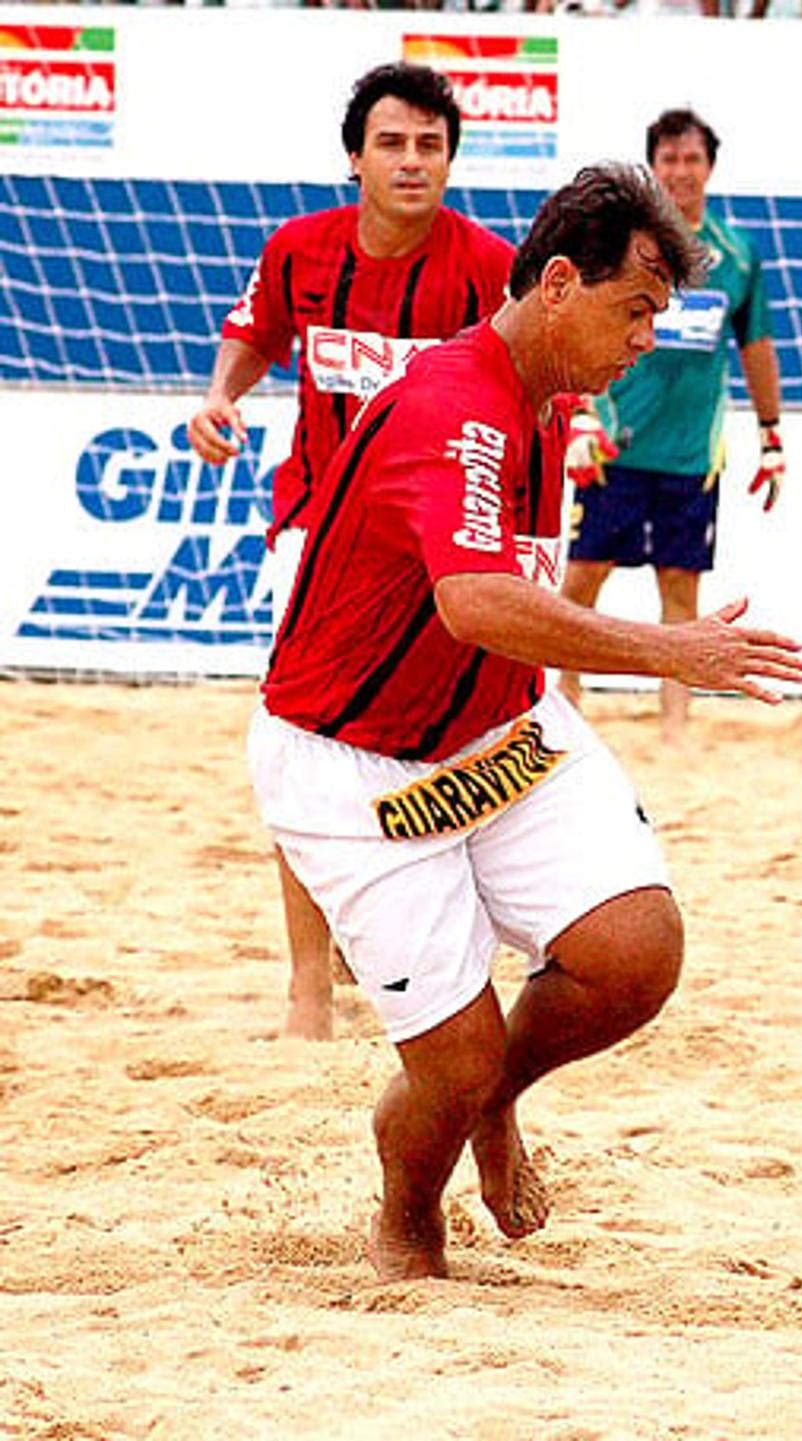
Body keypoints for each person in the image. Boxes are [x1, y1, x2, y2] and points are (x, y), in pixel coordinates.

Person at [246, 161, 802, 1281]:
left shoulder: (550, 396)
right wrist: (671, 649)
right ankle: (409, 1218)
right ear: (560, 283)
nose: (651, 336)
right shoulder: (458, 405)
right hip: (358, 767)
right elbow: (477, 602)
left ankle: (496, 1094)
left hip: (501, 734)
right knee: (444, 1074)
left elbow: (502, 608)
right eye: (636, 308)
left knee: (636, 953)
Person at [188, 62, 517, 1042]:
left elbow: (535, 388)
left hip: (446, 554)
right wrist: (221, 395)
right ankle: (307, 992)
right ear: (355, 156)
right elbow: (254, 335)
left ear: (451, 158)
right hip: (320, 536)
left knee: (457, 748)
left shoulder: (489, 268)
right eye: (393, 142)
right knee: (304, 751)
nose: (412, 161)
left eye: (430, 144)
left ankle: (426, 941)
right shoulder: (300, 251)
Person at [559, 107, 786, 740]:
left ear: (709, 167)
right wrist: (578, 414)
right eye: (669, 159)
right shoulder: (622, 247)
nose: (681, 170)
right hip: (613, 446)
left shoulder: (737, 255)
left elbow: (757, 347)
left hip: (691, 458)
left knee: (680, 597)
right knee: (579, 586)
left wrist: (772, 436)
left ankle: (675, 730)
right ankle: (566, 711)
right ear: (652, 168)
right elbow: (573, 326)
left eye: (691, 159)